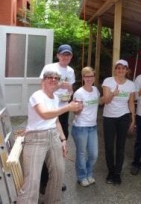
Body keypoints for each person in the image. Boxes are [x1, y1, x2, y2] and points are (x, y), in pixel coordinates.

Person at [17, 70, 82, 204]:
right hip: (36, 138)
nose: (53, 80)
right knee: (33, 179)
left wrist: (63, 139)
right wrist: (68, 107)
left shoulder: (56, 98)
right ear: (43, 81)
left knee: (59, 173)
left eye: (56, 78)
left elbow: (56, 120)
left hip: (53, 136)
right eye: (49, 77)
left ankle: (52, 201)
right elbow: (45, 114)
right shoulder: (37, 95)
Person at [39, 44, 75, 192]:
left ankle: (57, 180)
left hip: (64, 110)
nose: (65, 57)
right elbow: (42, 85)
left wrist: (69, 94)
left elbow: (70, 89)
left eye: (68, 55)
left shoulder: (71, 71)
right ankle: (43, 182)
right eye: (63, 54)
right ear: (58, 55)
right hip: (50, 109)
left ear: (71, 57)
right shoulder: (50, 67)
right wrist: (60, 85)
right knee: (46, 145)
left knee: (61, 144)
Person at [102, 59, 136, 185]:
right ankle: (110, 172)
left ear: (127, 70)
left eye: (123, 68)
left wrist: (133, 119)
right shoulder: (108, 81)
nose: (120, 70)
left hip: (124, 117)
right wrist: (112, 94)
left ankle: (117, 173)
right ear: (115, 69)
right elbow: (106, 101)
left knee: (121, 146)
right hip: (109, 117)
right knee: (109, 146)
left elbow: (131, 102)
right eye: (118, 68)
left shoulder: (131, 84)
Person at [71, 67, 103, 187]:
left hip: (92, 127)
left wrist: (111, 96)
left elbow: (99, 102)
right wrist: (78, 109)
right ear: (83, 78)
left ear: (94, 77)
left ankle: (89, 173)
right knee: (82, 153)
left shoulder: (95, 90)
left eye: (91, 76)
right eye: (86, 76)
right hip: (80, 127)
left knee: (94, 154)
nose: (89, 78)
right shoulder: (79, 92)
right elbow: (75, 112)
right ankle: (82, 176)